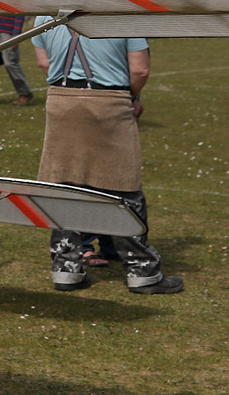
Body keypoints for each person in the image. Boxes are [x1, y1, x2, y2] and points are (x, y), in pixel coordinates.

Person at [33, 27, 182, 295]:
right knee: (123, 184)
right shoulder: (123, 18)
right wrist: (132, 97)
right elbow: (140, 70)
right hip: (109, 101)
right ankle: (142, 271)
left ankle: (66, 269)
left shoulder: (45, 14)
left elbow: (44, 62)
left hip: (60, 101)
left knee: (64, 185)